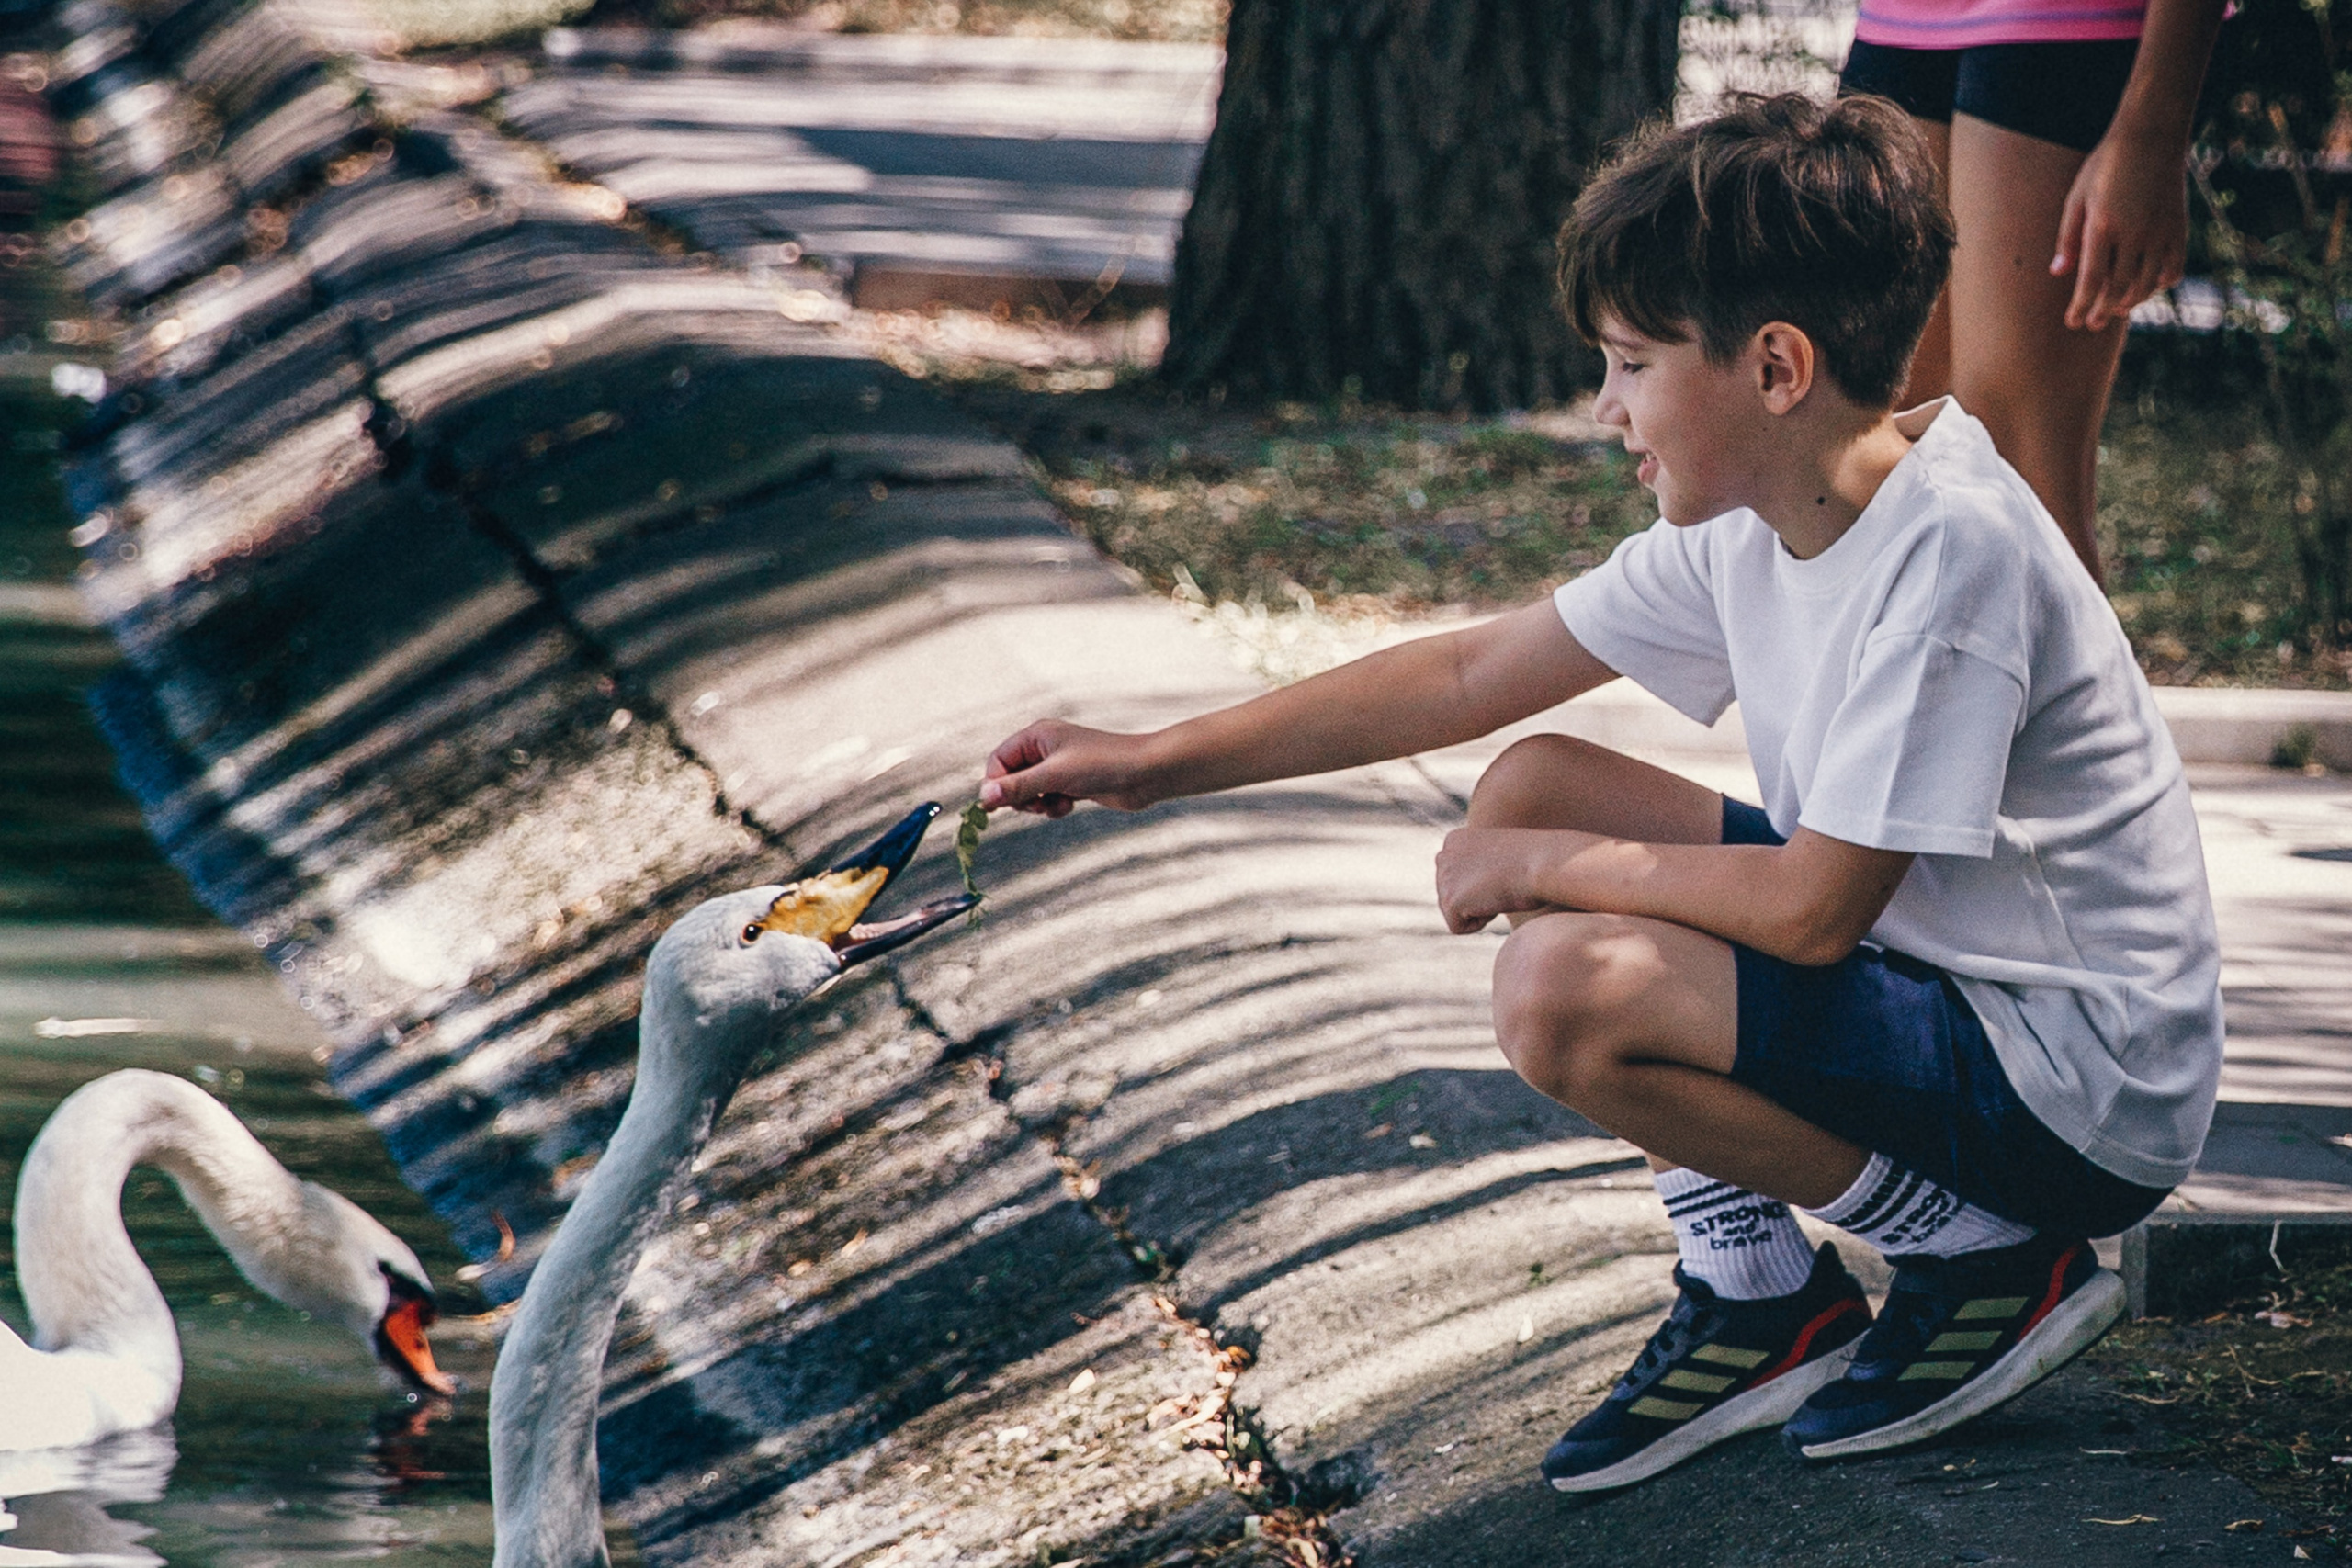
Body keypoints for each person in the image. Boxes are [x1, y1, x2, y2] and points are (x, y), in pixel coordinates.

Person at [977, 93, 2222, 1489]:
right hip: (1946, 982)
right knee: (1532, 776)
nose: (1605, 405)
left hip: (2074, 1087)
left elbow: (1813, 911)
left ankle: (1977, 1251)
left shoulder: (1948, 558)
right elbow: (1466, 675)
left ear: (1774, 367)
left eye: (1632, 363)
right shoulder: (1772, 509)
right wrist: (1151, 763)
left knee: (1564, 983)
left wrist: (1547, 872)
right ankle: (1761, 1296)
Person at [1840, 0, 2230, 582]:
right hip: (1899, 23)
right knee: (1864, 442)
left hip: (2066, 22)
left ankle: (2071, 677)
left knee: (2018, 480)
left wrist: (2152, 133)